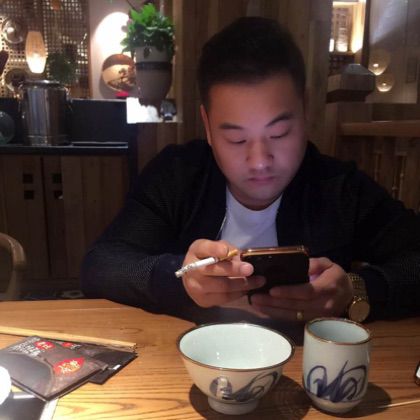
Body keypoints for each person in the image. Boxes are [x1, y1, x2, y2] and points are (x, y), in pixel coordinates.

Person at [81, 17, 420, 324]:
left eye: (279, 133)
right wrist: (179, 279)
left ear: (304, 112)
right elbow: (101, 264)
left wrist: (355, 289)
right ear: (208, 126)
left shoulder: (339, 189)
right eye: (236, 139)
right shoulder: (178, 176)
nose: (259, 161)